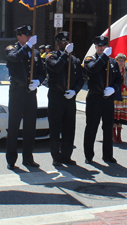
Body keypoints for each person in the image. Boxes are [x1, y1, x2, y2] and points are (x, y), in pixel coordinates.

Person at [5, 25, 46, 170]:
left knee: (30, 127)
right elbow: (15, 58)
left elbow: (42, 72)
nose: (29, 37)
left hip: (30, 93)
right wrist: (28, 46)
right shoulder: (12, 49)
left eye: (30, 35)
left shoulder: (34, 53)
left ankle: (28, 158)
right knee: (14, 126)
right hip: (17, 92)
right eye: (25, 35)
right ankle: (11, 159)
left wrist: (38, 82)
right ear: (19, 36)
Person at [45, 31, 84, 166]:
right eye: (62, 42)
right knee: (55, 128)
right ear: (58, 43)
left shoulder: (75, 60)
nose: (65, 44)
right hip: (56, 96)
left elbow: (80, 79)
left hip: (70, 98)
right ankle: (56, 156)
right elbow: (55, 68)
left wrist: (75, 91)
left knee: (69, 127)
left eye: (67, 42)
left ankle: (67, 155)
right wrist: (65, 54)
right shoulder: (51, 56)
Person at [83, 35, 123, 164]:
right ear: (95, 46)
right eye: (99, 46)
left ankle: (108, 155)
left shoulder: (112, 62)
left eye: (103, 45)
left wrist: (114, 88)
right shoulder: (90, 59)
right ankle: (88, 155)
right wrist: (104, 56)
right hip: (95, 98)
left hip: (108, 99)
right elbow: (93, 69)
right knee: (91, 127)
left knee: (107, 128)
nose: (101, 48)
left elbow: (119, 78)